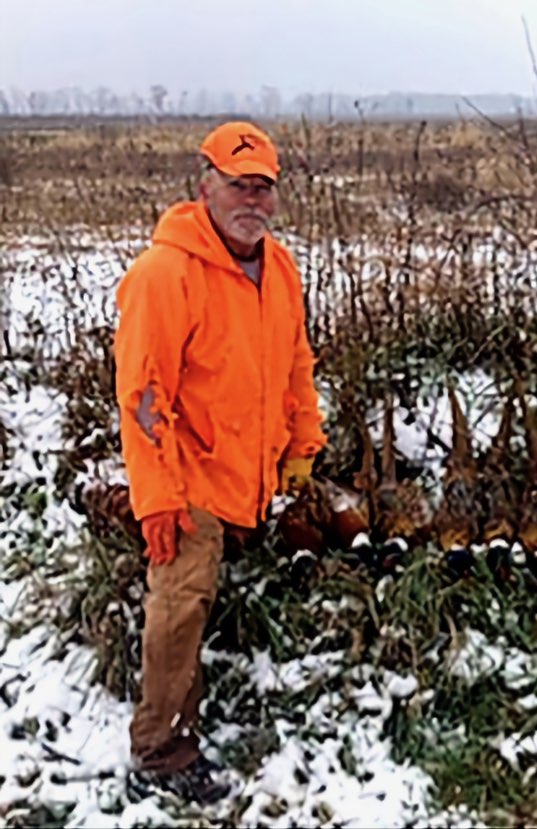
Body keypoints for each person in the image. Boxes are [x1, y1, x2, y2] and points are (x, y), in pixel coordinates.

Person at [114, 121, 326, 803]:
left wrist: (303, 444)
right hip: (188, 476)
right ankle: (162, 750)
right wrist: (159, 500)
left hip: (248, 472)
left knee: (209, 591)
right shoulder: (165, 274)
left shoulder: (279, 267)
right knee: (181, 601)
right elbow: (143, 399)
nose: (254, 201)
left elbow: (296, 363)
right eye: (240, 186)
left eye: (264, 187)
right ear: (205, 186)